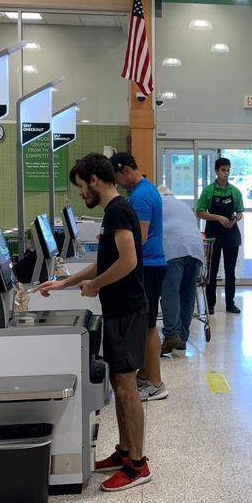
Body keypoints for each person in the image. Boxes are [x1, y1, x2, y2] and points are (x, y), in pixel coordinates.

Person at [37, 153, 152, 491]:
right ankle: (124, 452)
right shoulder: (112, 212)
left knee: (127, 386)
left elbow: (128, 261)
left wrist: (95, 286)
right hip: (119, 310)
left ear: (93, 179)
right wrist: (65, 283)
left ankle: (138, 465)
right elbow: (105, 262)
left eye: (80, 186)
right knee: (118, 383)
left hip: (128, 310)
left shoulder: (117, 211)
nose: (80, 194)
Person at [110, 152, 168, 402]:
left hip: (150, 265)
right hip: (151, 264)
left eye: (117, 178)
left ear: (124, 170)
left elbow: (139, 239)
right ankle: (146, 377)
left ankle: (154, 383)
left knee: (149, 327)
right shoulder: (143, 190)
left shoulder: (142, 196)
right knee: (147, 325)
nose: (118, 184)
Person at [156, 185, 205, 357]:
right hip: (196, 250)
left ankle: (171, 334)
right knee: (188, 292)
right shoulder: (182, 205)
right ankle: (182, 336)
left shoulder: (158, 203)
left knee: (170, 291)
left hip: (174, 249)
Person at [196, 157, 245, 315]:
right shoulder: (209, 191)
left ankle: (230, 304)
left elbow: (240, 212)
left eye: (228, 170)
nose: (226, 173)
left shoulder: (235, 191)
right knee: (212, 269)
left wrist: (234, 219)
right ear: (216, 171)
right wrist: (218, 217)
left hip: (231, 234)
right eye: (223, 170)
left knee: (230, 271)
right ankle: (210, 304)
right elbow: (199, 212)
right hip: (214, 234)